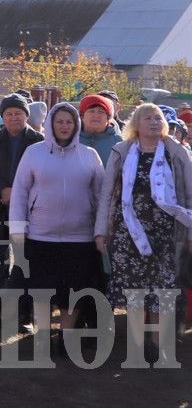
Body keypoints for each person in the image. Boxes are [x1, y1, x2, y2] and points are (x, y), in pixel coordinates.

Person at [95, 103, 192, 363]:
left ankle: (157, 345)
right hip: (129, 232)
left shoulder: (177, 152)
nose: (153, 122)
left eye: (158, 117)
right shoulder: (122, 152)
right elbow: (106, 194)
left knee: (163, 287)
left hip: (167, 232)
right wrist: (100, 232)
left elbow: (189, 193)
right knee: (136, 290)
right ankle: (138, 344)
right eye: (147, 117)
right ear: (136, 124)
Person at [10, 103, 102, 349]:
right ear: (51, 123)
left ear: (76, 125)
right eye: (59, 121)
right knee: (41, 290)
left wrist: (100, 230)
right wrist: (17, 230)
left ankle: (67, 335)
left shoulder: (90, 155)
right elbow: (19, 192)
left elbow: (101, 196)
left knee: (72, 291)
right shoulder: (33, 153)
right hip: (40, 235)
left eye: (69, 122)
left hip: (79, 238)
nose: (64, 126)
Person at [0, 94, 43, 326]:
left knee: (25, 262)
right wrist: (2, 189)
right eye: (9, 114)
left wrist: (20, 194)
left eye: (19, 113)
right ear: (2, 117)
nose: (14, 117)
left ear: (26, 115)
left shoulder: (39, 141)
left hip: (29, 211)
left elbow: (43, 173)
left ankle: (24, 315)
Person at [79, 94, 122, 166]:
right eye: (91, 111)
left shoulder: (118, 142)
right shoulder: (72, 139)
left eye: (101, 112)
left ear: (108, 118)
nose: (96, 115)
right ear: (82, 115)